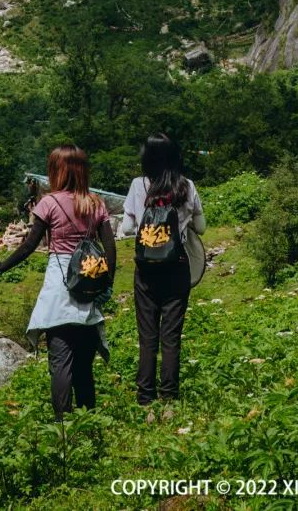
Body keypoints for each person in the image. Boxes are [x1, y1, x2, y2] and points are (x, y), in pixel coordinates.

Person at [0, 143, 116, 417]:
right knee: (84, 365)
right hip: (88, 283)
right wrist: (107, 284)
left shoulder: (48, 203)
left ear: (57, 171)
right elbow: (111, 249)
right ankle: (88, 420)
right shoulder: (95, 204)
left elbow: (29, 246)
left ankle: (62, 426)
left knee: (61, 361)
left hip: (60, 289)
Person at [121, 132, 206, 406]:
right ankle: (169, 399)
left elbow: (126, 228)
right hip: (176, 267)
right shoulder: (186, 186)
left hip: (146, 270)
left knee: (147, 338)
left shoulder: (138, 185)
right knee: (171, 337)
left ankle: (145, 398)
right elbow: (202, 228)